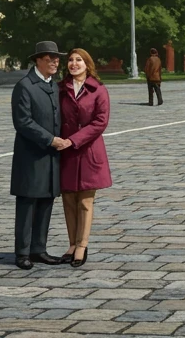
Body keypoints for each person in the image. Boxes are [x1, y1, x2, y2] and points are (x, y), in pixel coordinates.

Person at [11, 41, 68, 270]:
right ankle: (22, 252)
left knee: (46, 200)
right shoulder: (25, 86)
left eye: (56, 59)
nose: (55, 62)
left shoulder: (53, 86)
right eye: (50, 58)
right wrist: (50, 139)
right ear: (38, 60)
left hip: (51, 156)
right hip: (31, 155)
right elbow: (23, 122)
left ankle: (38, 249)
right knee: (27, 203)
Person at [58, 48, 111, 268]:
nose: (74, 63)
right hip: (66, 151)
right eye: (70, 60)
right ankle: (71, 244)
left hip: (89, 151)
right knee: (69, 200)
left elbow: (100, 122)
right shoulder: (60, 89)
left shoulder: (98, 90)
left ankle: (82, 245)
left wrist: (74, 139)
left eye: (78, 60)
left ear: (87, 64)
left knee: (85, 201)